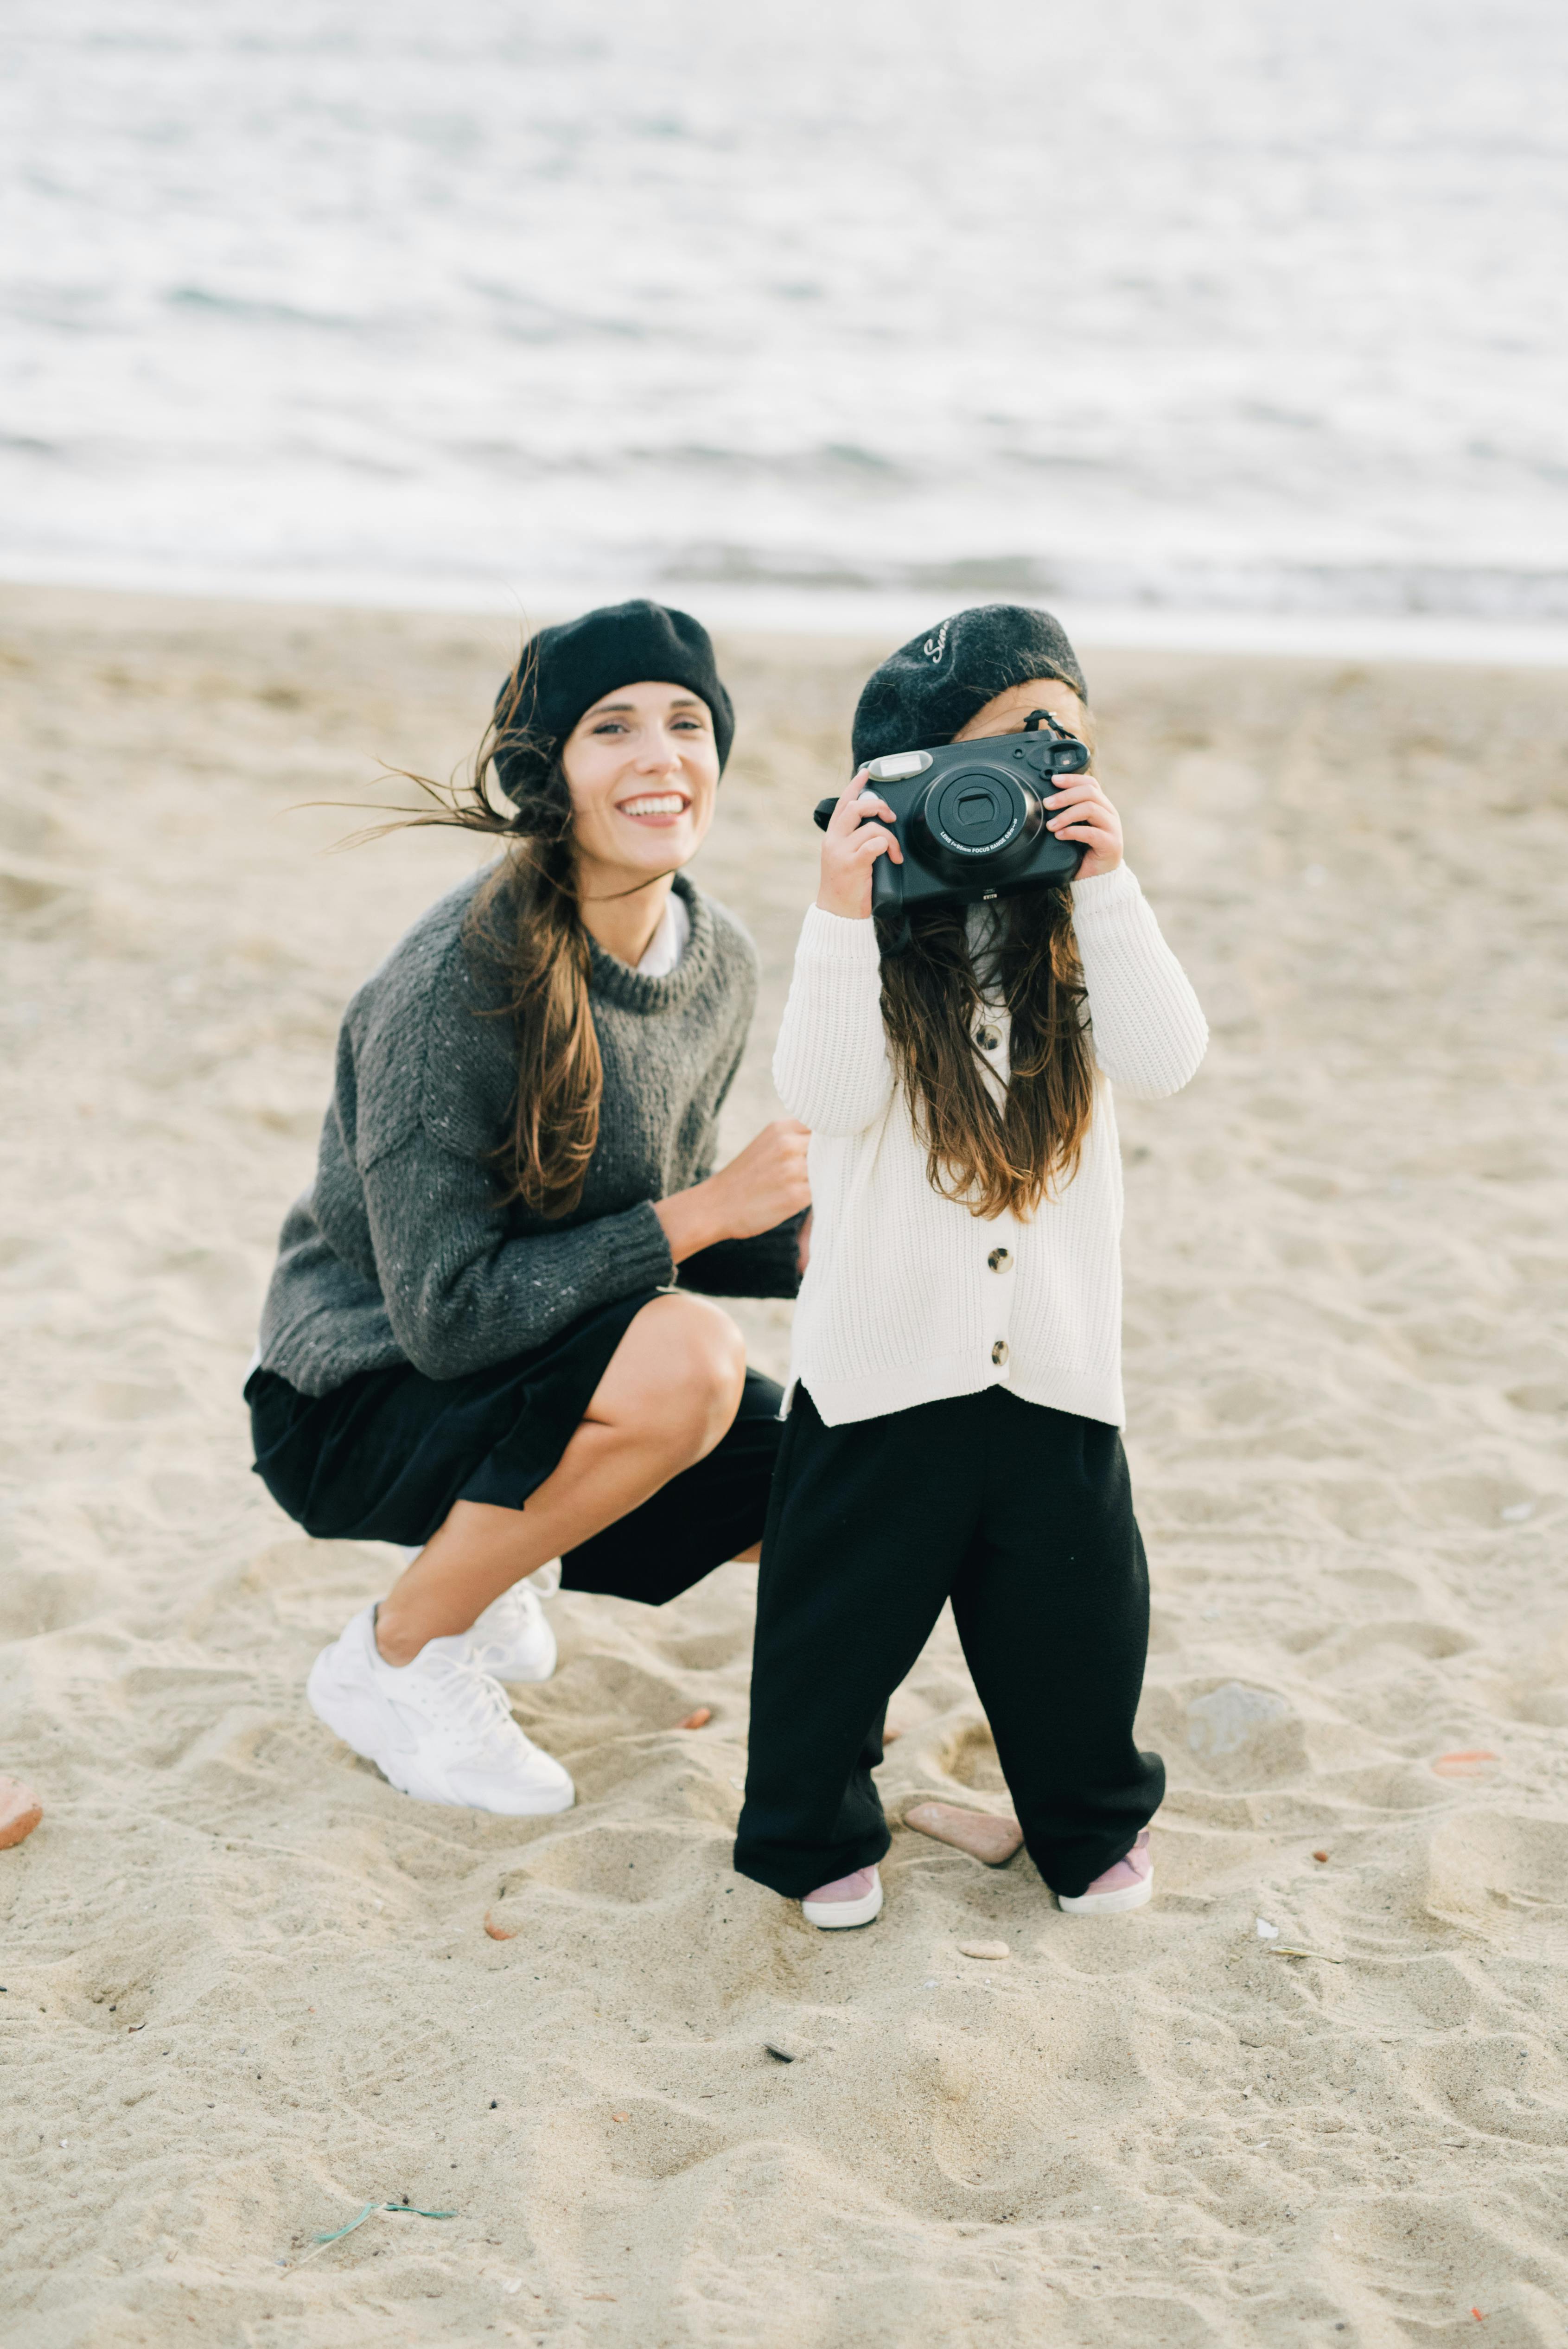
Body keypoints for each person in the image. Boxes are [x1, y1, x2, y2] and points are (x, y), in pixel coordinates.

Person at [246, 600, 809, 1817]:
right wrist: (704, 1216)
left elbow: (654, 1208)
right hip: (361, 1388)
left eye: (688, 722)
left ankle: (485, 1556)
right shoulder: (456, 983)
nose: (663, 755)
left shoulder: (719, 961)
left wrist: (812, 1240)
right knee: (692, 1361)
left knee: (821, 1486)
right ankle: (397, 1652)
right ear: (544, 773)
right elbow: (449, 1311)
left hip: (544, 1349)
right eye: (613, 728)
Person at [733, 605, 1208, 1928]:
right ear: (910, 773)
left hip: (1051, 1365)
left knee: (1078, 1630)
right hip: (883, 1371)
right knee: (835, 1636)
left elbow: (1168, 1057)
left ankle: (1085, 1817)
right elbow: (824, 1092)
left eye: (1066, 743)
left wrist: (1108, 881)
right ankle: (818, 1830)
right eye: (999, 748)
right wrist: (842, 910)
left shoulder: (1080, 927)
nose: (1033, 770)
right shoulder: (876, 936)